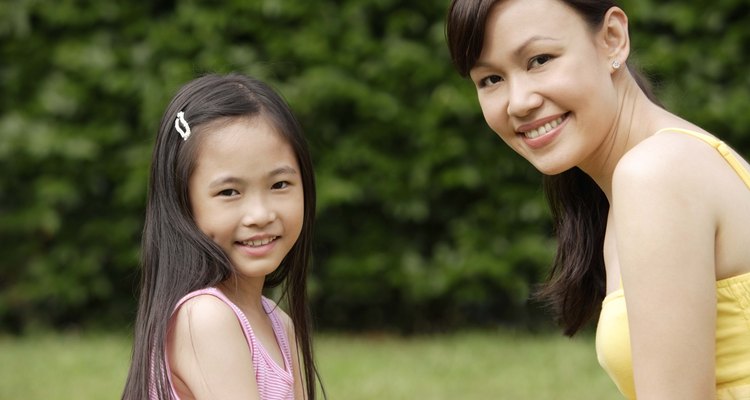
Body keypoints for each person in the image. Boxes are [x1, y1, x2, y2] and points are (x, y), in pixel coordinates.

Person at [446, 0, 750, 398]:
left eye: (540, 59)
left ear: (613, 39)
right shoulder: (655, 168)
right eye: (489, 80)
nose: (518, 101)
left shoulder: (657, 173)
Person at [121, 73, 323, 400]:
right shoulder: (205, 319)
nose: (260, 215)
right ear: (182, 202)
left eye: (279, 185)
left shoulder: (279, 324)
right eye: (230, 192)